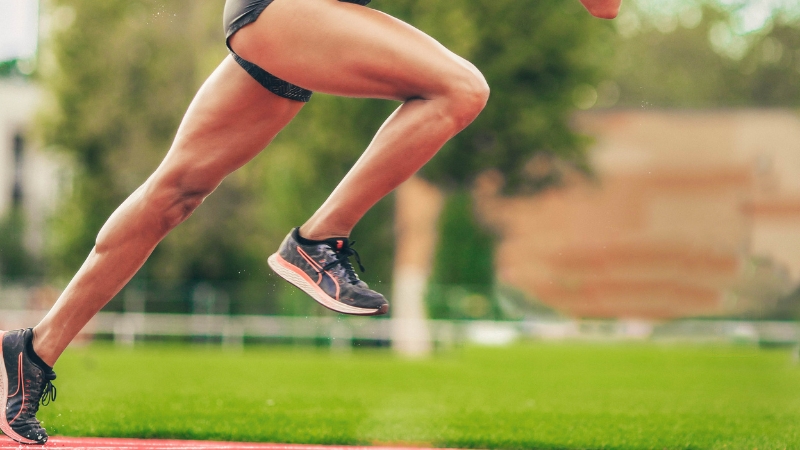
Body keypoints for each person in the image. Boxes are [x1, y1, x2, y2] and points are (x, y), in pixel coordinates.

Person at [0, 0, 620, 444]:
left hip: (287, 22)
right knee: (460, 88)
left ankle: (35, 350)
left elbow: (604, 7)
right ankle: (319, 240)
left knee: (176, 191)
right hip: (286, 9)